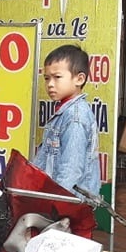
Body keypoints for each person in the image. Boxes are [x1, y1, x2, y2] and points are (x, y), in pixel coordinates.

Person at [31, 44, 101, 196]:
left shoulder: (75, 117)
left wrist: (56, 200)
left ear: (79, 79)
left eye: (57, 77)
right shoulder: (64, 112)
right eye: (47, 78)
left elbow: (71, 169)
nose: (50, 84)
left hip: (70, 201)